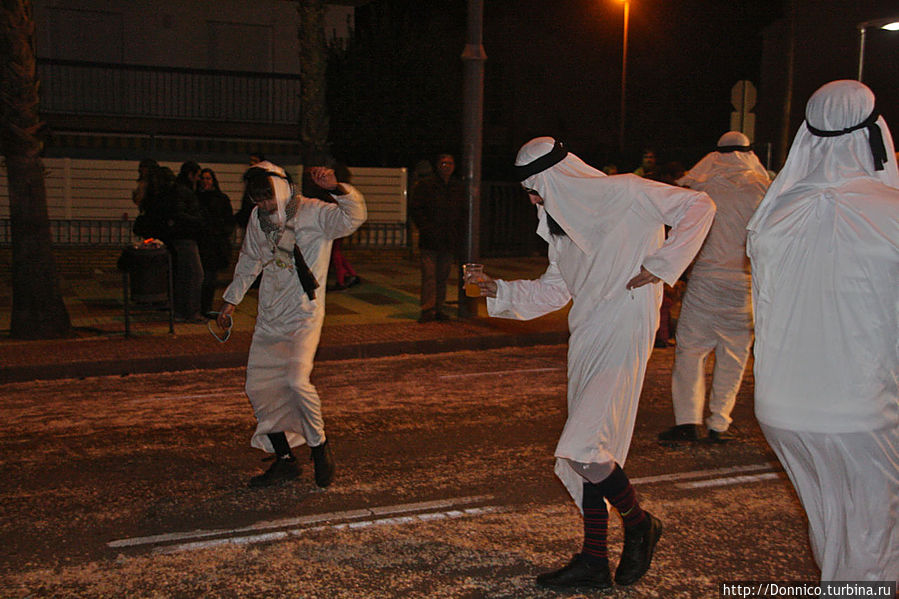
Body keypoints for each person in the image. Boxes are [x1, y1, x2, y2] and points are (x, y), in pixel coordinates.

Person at [474, 137, 715, 591]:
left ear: (557, 178)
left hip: (624, 327)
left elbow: (699, 206)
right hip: (585, 334)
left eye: (535, 188)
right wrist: (499, 291)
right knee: (594, 449)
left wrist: (663, 265)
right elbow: (554, 290)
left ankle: (640, 525)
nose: (532, 199)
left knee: (583, 446)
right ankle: (593, 559)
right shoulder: (562, 231)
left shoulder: (628, 191)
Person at [746, 80, 898, 582]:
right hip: (861, 410)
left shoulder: (776, 215)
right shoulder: (890, 211)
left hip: (783, 410)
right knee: (871, 546)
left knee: (834, 530)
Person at [216, 161, 366, 489]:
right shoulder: (258, 219)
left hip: (304, 313)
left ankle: (319, 447)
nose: (264, 206)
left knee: (296, 382)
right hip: (271, 314)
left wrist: (336, 188)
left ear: (281, 188)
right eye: (257, 200)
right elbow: (251, 258)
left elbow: (353, 217)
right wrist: (231, 301)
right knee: (261, 387)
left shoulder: (313, 212)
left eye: (268, 198)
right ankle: (284, 460)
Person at [658, 132, 770, 444]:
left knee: (691, 351)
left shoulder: (702, 185)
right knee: (734, 355)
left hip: (706, 280)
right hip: (744, 284)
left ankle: (688, 422)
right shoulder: (763, 188)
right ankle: (720, 423)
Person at [409, 153, 467, 322]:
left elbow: (462, 213)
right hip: (430, 240)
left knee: (442, 276)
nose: (446, 166)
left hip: (448, 240)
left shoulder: (457, 187)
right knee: (429, 276)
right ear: (437, 166)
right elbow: (416, 210)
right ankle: (428, 309)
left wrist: (457, 233)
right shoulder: (426, 185)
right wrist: (427, 229)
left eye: (449, 163)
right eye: (443, 163)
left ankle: (438, 307)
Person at [196, 168, 235, 317]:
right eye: (203, 178)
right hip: (202, 243)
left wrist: (221, 232)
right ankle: (200, 306)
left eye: (208, 179)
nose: (205, 182)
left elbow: (228, 220)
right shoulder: (197, 198)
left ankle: (206, 306)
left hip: (215, 244)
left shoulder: (221, 198)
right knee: (202, 277)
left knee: (210, 278)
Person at [170, 161, 205, 322]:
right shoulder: (184, 192)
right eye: (197, 176)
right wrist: (198, 221)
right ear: (191, 175)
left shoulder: (179, 190)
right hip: (186, 237)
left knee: (184, 276)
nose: (198, 180)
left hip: (182, 237)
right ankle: (191, 312)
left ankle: (181, 311)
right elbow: (180, 213)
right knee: (195, 275)